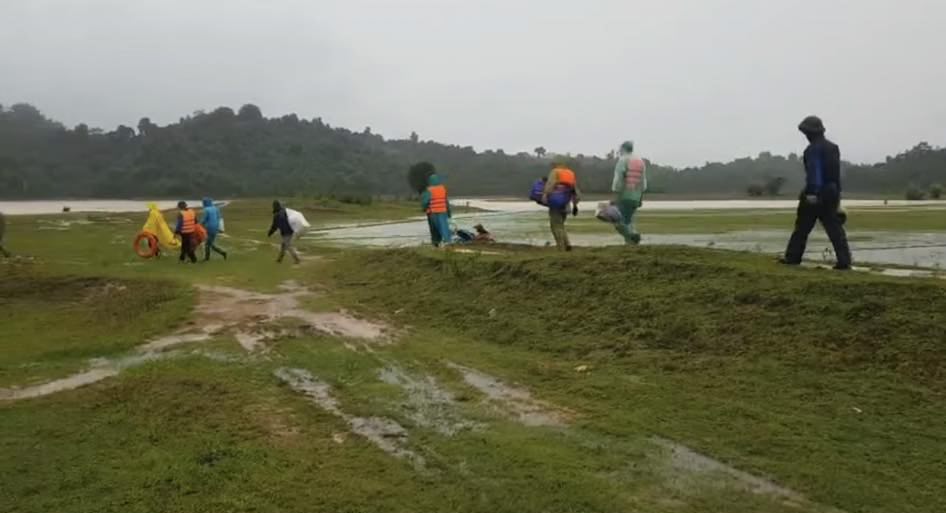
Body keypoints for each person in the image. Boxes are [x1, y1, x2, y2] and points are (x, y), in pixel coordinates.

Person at [780, 116, 852, 270]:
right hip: (832, 192)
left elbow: (815, 171)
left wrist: (812, 193)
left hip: (816, 193)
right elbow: (836, 175)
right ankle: (844, 261)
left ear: (810, 133)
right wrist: (838, 197)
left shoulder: (812, 149)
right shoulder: (834, 148)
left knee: (802, 228)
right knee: (835, 229)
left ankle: (792, 257)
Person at [611, 141, 647, 245]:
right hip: (636, 196)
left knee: (619, 222)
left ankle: (633, 236)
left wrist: (616, 196)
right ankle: (631, 244)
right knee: (629, 220)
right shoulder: (640, 161)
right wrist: (640, 198)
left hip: (624, 195)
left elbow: (618, 180)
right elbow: (643, 182)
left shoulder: (623, 160)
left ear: (623, 149)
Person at [541, 161, 580, 251]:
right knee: (560, 224)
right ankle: (567, 244)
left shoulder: (555, 172)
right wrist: (575, 204)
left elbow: (551, 184)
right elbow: (575, 190)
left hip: (556, 201)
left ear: (555, 165)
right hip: (566, 202)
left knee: (555, 225)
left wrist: (545, 194)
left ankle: (561, 247)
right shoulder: (570, 173)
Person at [421, 173, 452, 247]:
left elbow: (425, 202)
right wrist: (449, 213)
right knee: (444, 227)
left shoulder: (428, 190)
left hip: (433, 212)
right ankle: (447, 241)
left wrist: (424, 209)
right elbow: (446, 202)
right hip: (443, 211)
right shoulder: (442, 189)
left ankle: (436, 243)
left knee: (434, 229)